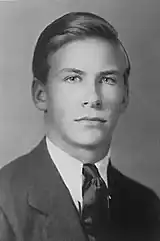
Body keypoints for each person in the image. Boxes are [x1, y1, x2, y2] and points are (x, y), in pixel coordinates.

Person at [0, 12, 159, 241]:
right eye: (73, 78)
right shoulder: (5, 202)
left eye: (108, 79)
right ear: (40, 94)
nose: (93, 98)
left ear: (124, 96)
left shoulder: (147, 206)